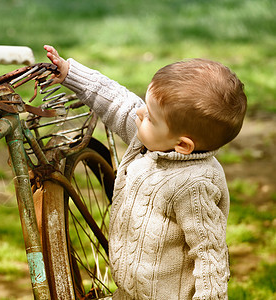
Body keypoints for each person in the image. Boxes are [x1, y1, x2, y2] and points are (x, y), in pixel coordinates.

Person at [44, 45, 247, 299]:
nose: (140, 113)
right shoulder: (154, 140)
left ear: (183, 145)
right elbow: (119, 103)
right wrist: (71, 73)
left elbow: (210, 255)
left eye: (150, 116)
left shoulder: (195, 185)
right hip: (129, 293)